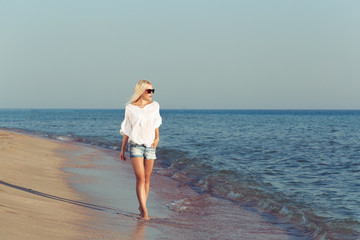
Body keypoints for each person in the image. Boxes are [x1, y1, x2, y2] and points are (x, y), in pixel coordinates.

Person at [120, 80, 162, 220]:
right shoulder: (130, 108)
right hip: (136, 146)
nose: (151, 93)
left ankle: (142, 204)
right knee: (140, 177)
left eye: (152, 91)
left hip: (150, 146)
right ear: (141, 91)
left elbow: (156, 123)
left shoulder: (155, 106)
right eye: (149, 91)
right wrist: (122, 149)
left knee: (147, 178)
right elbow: (126, 129)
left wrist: (157, 138)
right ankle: (144, 211)